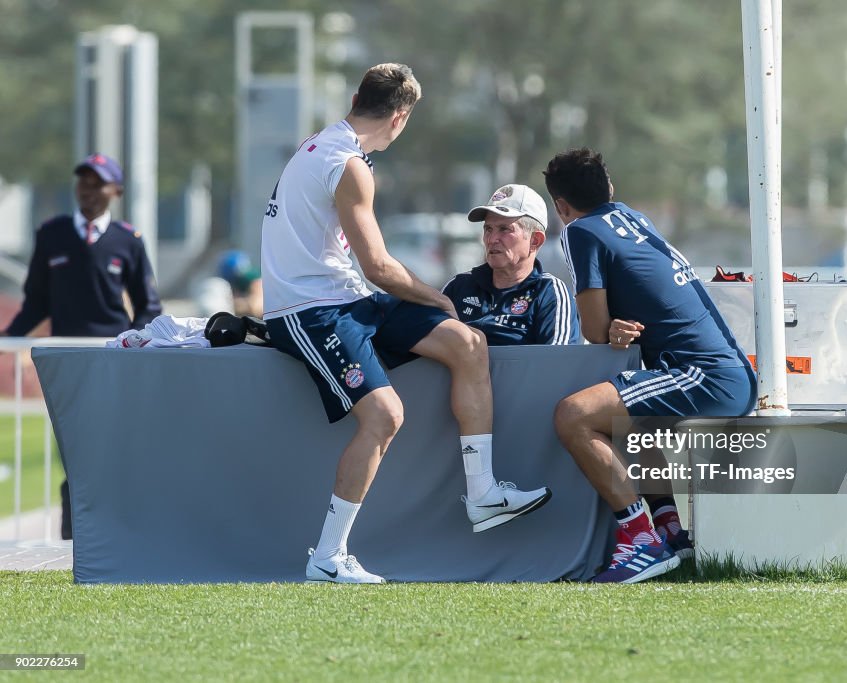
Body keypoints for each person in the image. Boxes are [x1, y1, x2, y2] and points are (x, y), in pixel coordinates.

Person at [260, 63, 551, 585]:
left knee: (468, 341)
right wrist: (437, 299)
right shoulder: (349, 164)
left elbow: (366, 273)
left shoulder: (324, 143)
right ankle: (327, 557)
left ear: (356, 98)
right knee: (386, 415)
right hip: (308, 310)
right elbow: (379, 267)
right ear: (401, 118)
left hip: (349, 298)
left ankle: (482, 493)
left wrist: (442, 312)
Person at [544, 148, 756, 584]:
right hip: (731, 373)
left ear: (560, 207)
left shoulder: (579, 231)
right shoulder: (635, 218)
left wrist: (610, 330)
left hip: (705, 377)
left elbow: (593, 328)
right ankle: (670, 530)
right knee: (638, 422)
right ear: (611, 189)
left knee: (574, 416)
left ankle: (641, 540)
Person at [2, 152, 163, 540]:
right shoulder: (51, 235)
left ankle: (122, 534)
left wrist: (135, 343)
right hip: (66, 361)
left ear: (117, 191)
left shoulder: (129, 241)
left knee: (114, 450)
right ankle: (73, 542)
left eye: (98, 183)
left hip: (114, 362)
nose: (88, 191)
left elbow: (148, 306)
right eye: (83, 182)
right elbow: (36, 303)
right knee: (74, 453)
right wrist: (7, 339)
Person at [442, 184, 581, 345]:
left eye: (504, 229)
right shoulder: (458, 286)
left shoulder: (549, 294)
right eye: (488, 229)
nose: (492, 239)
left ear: (535, 240)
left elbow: (558, 363)